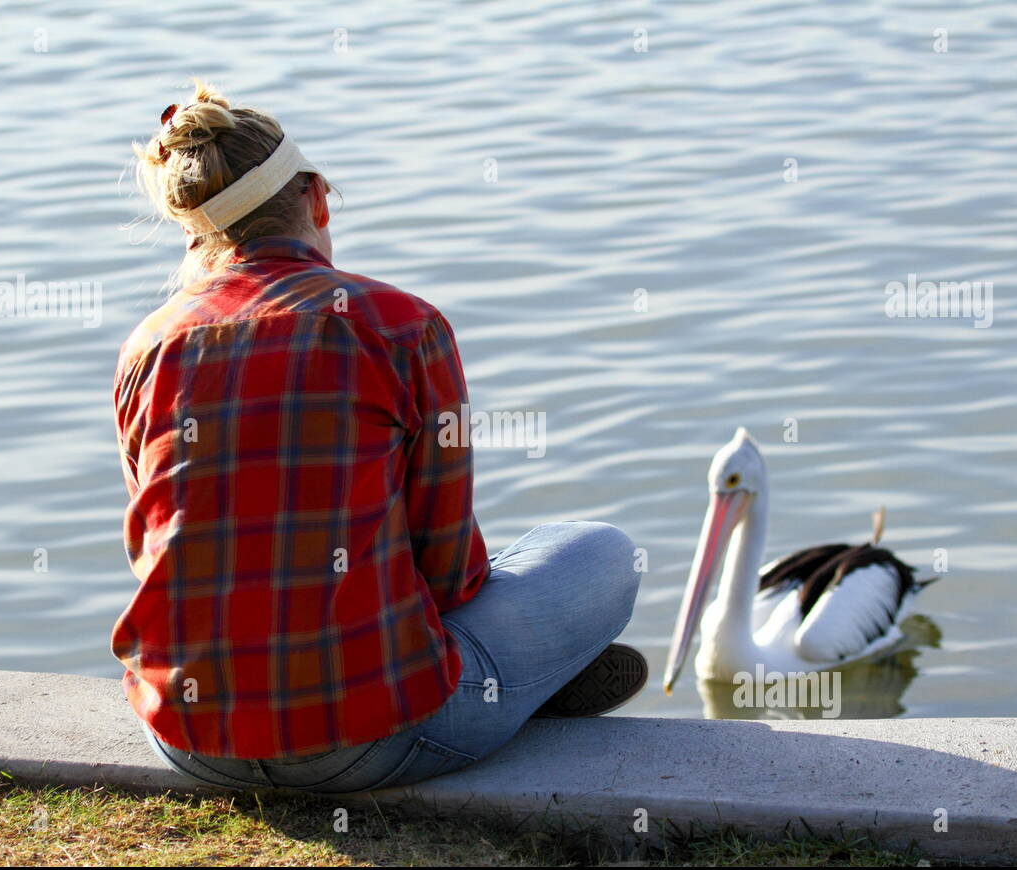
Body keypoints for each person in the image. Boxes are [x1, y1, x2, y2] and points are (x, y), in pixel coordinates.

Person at [113, 79, 645, 794]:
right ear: (318, 199)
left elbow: (162, 548)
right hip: (372, 740)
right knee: (601, 552)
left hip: (186, 740)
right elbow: (449, 571)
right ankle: (519, 688)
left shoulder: (147, 347)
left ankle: (518, 684)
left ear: (195, 232)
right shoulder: (400, 324)